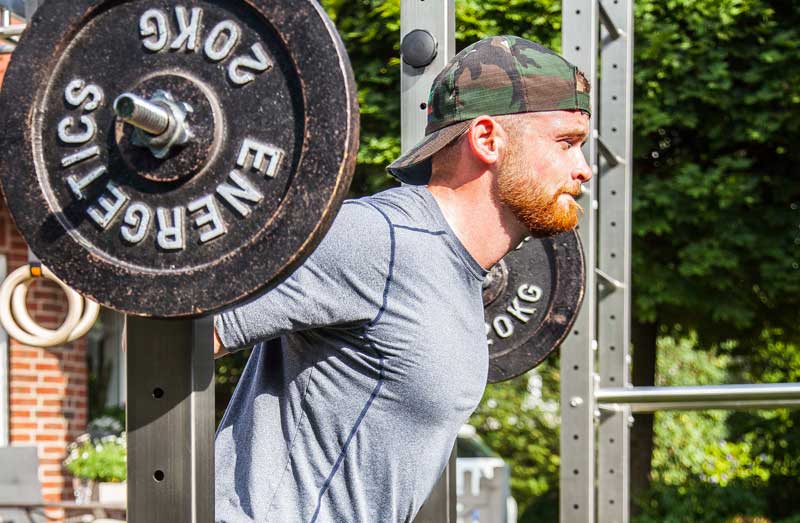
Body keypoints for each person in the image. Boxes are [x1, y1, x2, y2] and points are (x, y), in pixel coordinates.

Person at [213, 35, 591, 522]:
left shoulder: (462, 275)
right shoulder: (376, 238)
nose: (583, 169)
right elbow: (172, 336)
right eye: (566, 143)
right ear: (487, 139)